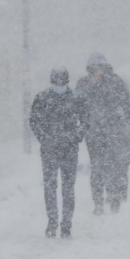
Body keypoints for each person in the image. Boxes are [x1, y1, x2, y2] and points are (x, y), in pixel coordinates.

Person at [76, 53, 130, 215]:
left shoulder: (115, 82)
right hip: (93, 133)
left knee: (114, 165)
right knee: (97, 167)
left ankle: (114, 196)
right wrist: (90, 86)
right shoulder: (83, 83)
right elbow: (77, 104)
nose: (97, 71)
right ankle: (98, 201)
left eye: (100, 67)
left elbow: (128, 103)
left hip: (114, 131)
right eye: (94, 68)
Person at [29, 67, 83, 239]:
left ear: (67, 83)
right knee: (50, 188)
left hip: (69, 150)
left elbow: (85, 120)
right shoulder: (42, 98)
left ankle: (66, 224)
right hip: (50, 150)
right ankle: (52, 222)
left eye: (62, 83)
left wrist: (76, 136)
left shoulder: (76, 98)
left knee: (68, 188)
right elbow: (34, 121)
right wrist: (44, 138)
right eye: (56, 83)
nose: (59, 86)